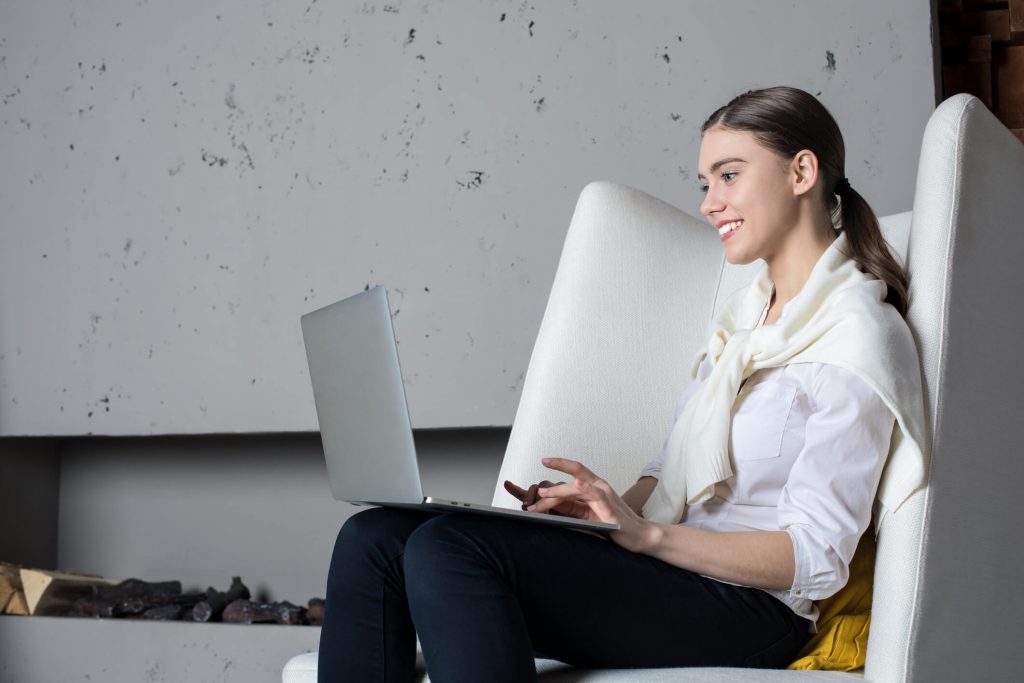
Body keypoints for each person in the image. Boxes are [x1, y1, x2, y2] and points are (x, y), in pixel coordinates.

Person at [316, 85, 926, 682]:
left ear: (801, 172)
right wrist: (602, 511)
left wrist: (646, 535)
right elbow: (667, 476)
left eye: (729, 175)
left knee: (449, 549)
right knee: (373, 538)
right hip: (667, 571)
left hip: (755, 609)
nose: (710, 202)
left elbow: (815, 560)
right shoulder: (740, 328)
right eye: (705, 183)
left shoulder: (859, 340)